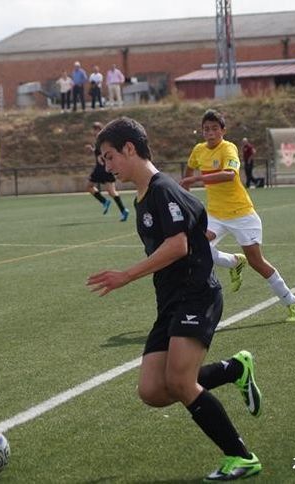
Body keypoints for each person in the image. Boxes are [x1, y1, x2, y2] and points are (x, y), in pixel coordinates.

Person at [88, 117, 263, 481]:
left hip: (196, 295)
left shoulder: (163, 189)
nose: (106, 166)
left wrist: (125, 275)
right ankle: (234, 369)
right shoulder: (143, 197)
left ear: (130, 149)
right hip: (170, 301)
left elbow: (178, 245)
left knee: (182, 384)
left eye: (109, 157)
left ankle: (241, 456)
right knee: (153, 390)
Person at [180, 110, 295, 323]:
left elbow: (230, 175)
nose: (210, 132)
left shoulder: (229, 148)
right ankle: (234, 262)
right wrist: (187, 193)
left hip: (242, 214)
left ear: (223, 131)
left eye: (214, 128)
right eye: (206, 129)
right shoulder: (199, 150)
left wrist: (196, 179)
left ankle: (292, 301)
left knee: (257, 262)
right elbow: (188, 173)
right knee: (197, 247)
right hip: (215, 216)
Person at [86, 122, 129, 221]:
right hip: (101, 167)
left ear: (99, 129)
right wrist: (92, 150)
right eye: (93, 129)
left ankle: (117, 208)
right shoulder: (99, 140)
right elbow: (99, 151)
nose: (93, 131)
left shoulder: (103, 140)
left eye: (95, 129)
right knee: (92, 187)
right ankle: (112, 205)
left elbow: (106, 151)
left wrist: (102, 158)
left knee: (108, 190)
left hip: (103, 168)